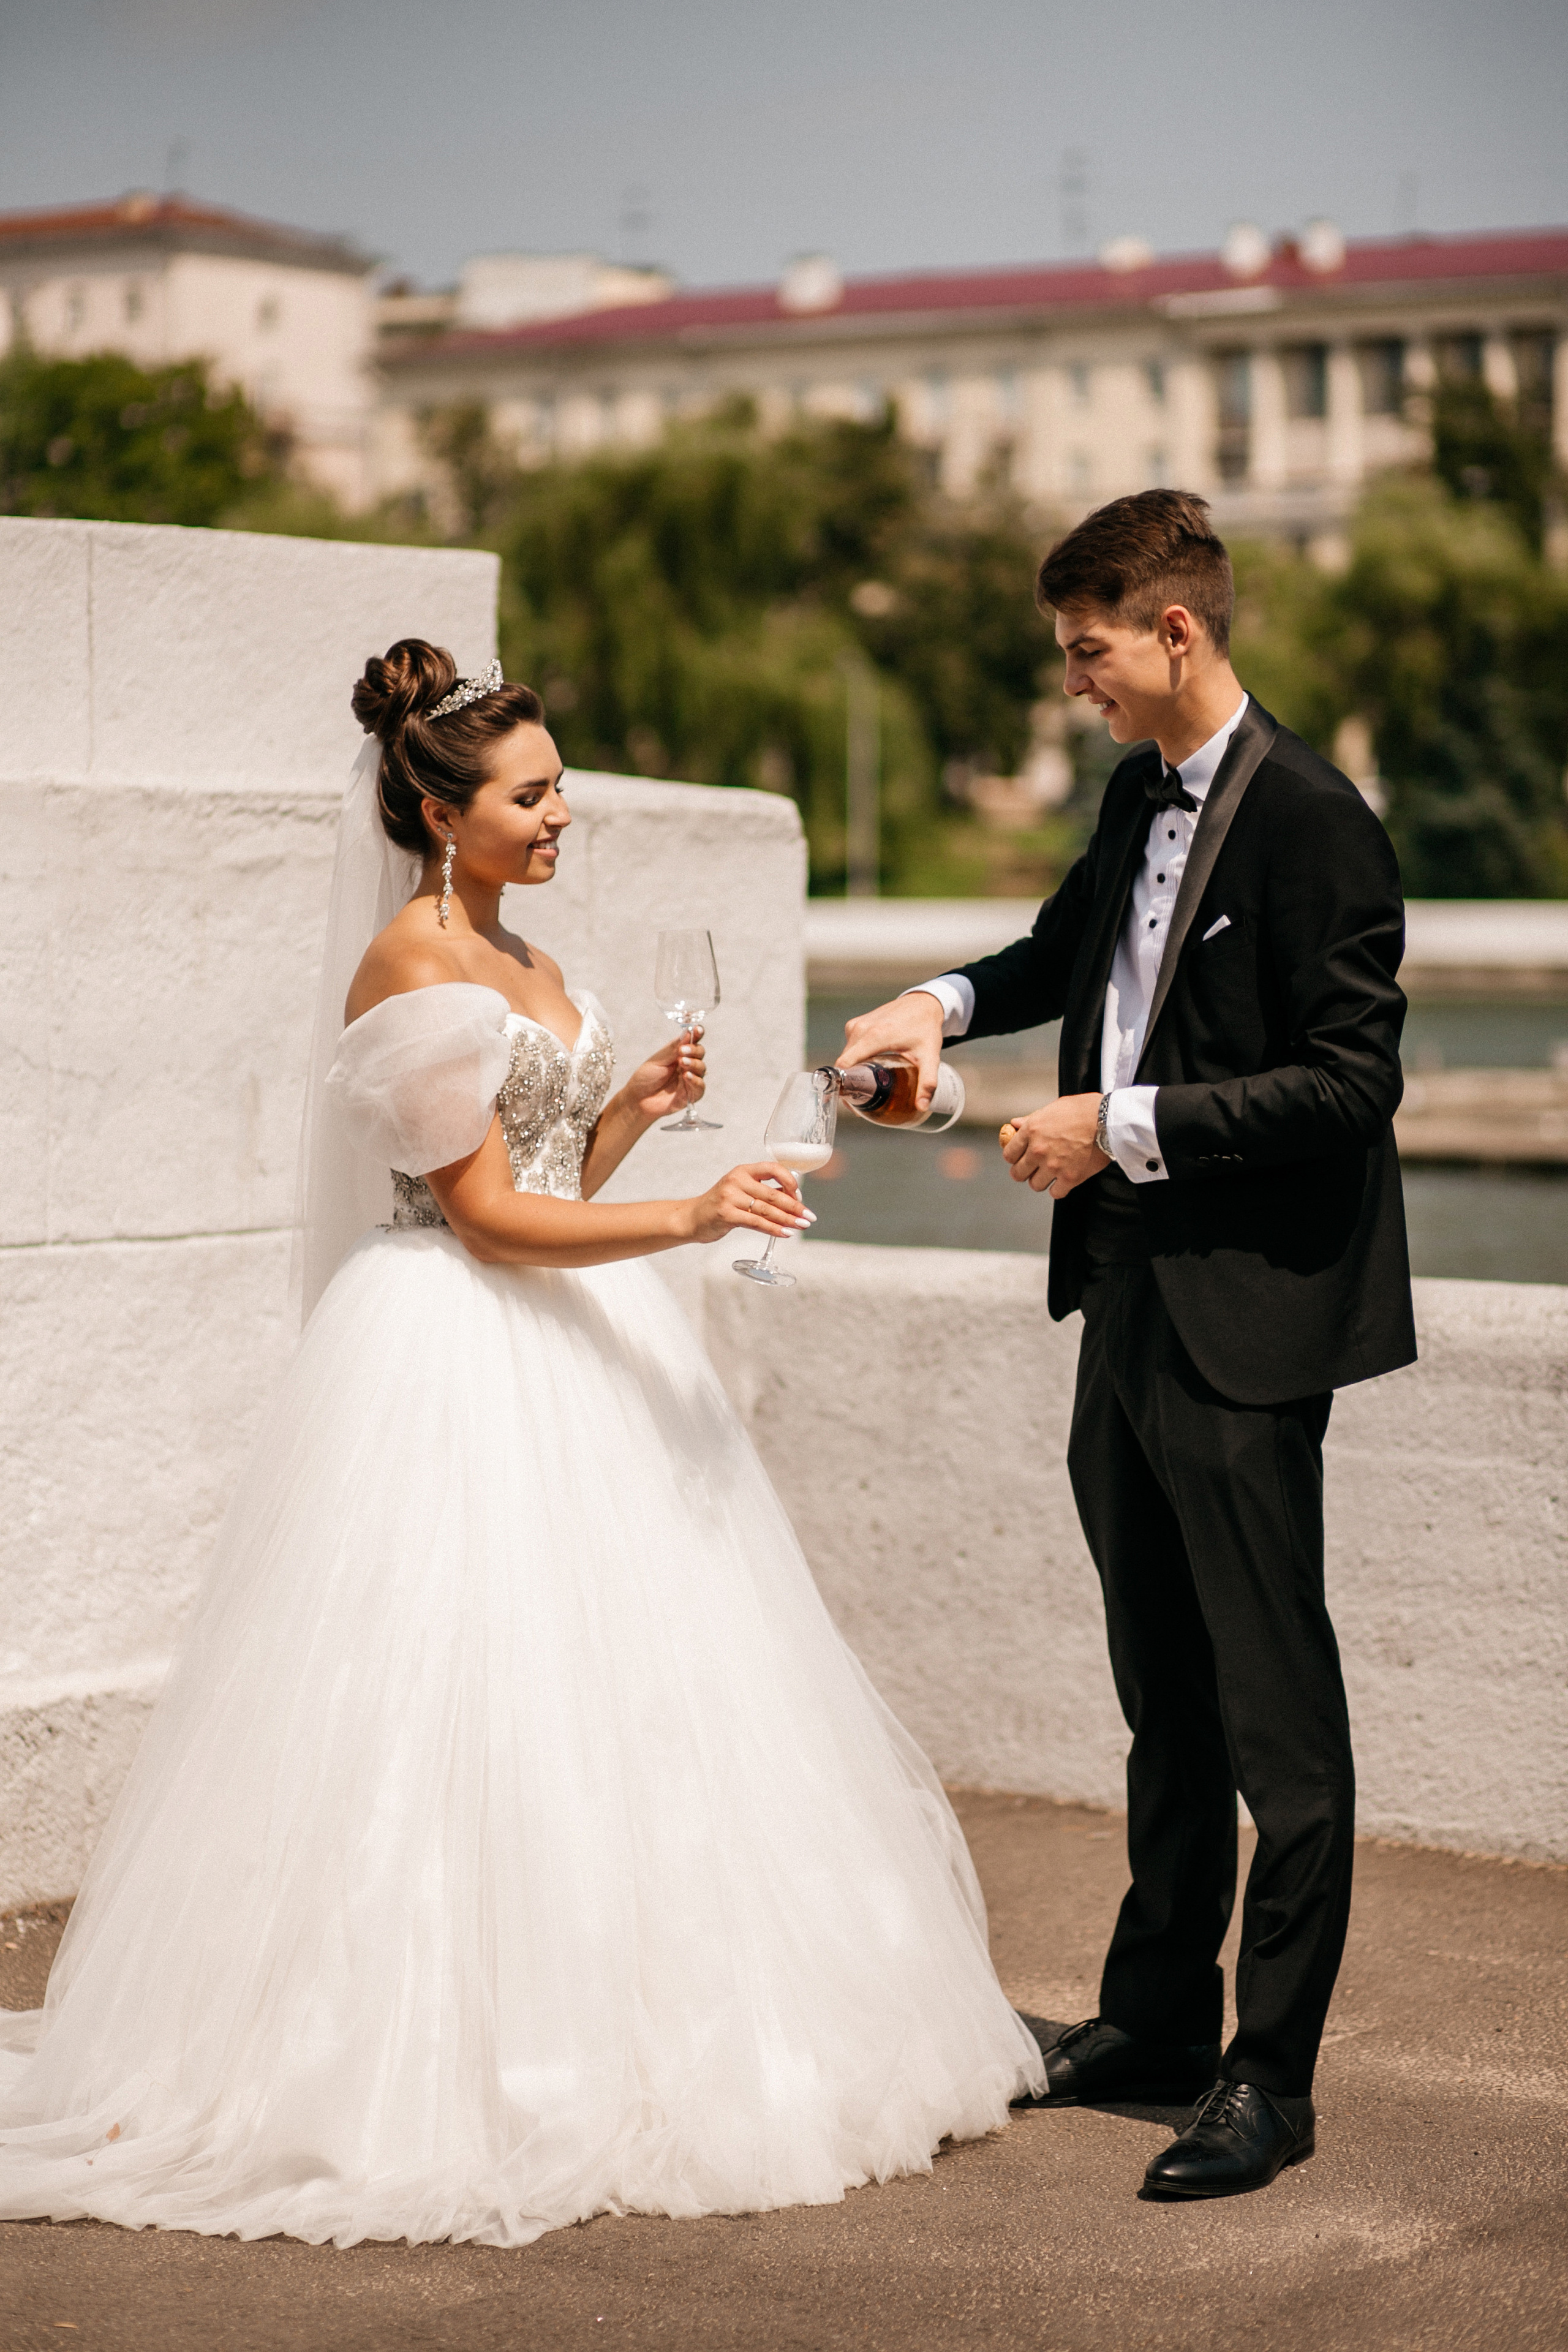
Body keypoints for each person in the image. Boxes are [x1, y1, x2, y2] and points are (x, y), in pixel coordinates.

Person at [0, 638, 1042, 2248]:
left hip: (587, 1340)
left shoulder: (517, 946)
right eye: (534, 794)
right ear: (437, 809)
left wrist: (629, 1106)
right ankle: (459, 2059)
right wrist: (692, 1202)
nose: (566, 816)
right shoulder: (414, 972)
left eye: (563, 790)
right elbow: (484, 1224)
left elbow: (547, 1167)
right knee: (463, 1701)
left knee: (640, 1691)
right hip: (455, 1351)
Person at [841, 491, 1415, 2201]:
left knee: (1277, 1725)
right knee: (1163, 1693)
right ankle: (1153, 2019)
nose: (1074, 683)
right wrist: (933, 1005)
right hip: (1129, 1307)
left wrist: (1122, 1126)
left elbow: (1354, 1080)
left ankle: (1272, 2078)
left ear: (1174, 632)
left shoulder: (1317, 817)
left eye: (1087, 651)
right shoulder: (1130, 791)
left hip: (1251, 1321)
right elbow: (1063, 949)